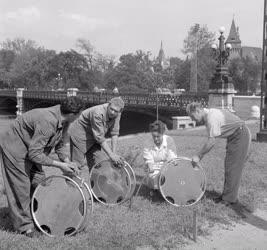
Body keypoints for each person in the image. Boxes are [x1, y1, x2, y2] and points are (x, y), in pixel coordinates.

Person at [0, 96, 84, 237]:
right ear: (72, 114)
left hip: (31, 147)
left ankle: (38, 215)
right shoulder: (48, 121)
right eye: (79, 113)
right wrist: (60, 165)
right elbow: (34, 154)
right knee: (21, 187)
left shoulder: (64, 120)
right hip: (14, 147)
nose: (80, 116)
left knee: (40, 181)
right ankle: (25, 227)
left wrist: (67, 161)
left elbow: (60, 144)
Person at [186, 102, 251, 206]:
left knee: (233, 168)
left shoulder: (212, 118)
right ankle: (226, 196)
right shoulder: (208, 117)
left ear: (198, 111)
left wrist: (198, 156)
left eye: (192, 117)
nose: (193, 120)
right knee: (229, 166)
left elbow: (211, 142)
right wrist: (199, 156)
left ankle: (229, 199)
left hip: (240, 135)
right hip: (235, 136)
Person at [68, 97, 125, 172]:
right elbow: (100, 138)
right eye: (111, 109)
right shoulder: (98, 112)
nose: (112, 112)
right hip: (80, 135)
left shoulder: (117, 114)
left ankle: (96, 183)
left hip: (94, 137)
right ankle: (73, 182)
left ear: (120, 111)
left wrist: (114, 154)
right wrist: (111, 155)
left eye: (116, 111)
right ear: (108, 105)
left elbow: (114, 133)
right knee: (77, 166)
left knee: (98, 164)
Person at [143, 120, 177, 190]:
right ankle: (155, 187)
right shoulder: (147, 143)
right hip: (153, 169)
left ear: (163, 133)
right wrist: (152, 168)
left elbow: (172, 159)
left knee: (170, 178)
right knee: (156, 181)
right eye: (153, 136)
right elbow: (149, 162)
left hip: (166, 167)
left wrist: (164, 171)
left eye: (158, 136)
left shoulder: (169, 140)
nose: (156, 139)